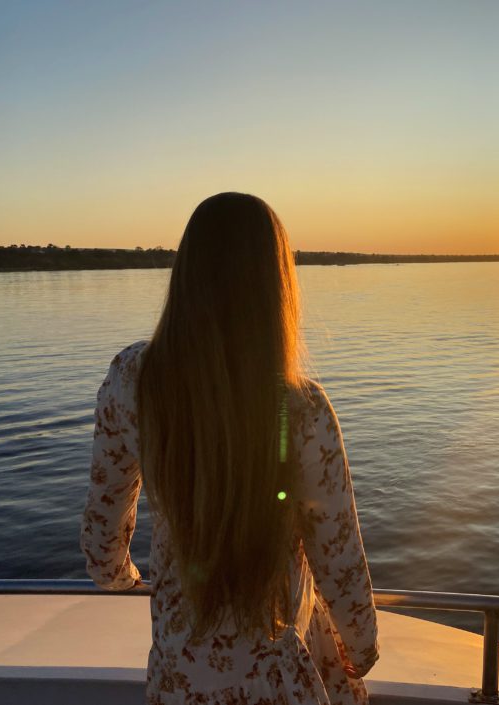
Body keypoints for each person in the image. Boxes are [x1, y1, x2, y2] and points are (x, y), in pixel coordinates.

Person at [80, 192, 378, 704]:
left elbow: (103, 527)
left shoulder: (132, 379)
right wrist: (362, 645)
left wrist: (118, 576)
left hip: (178, 672)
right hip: (274, 677)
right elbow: (339, 556)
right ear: (274, 284)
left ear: (186, 275)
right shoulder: (301, 410)